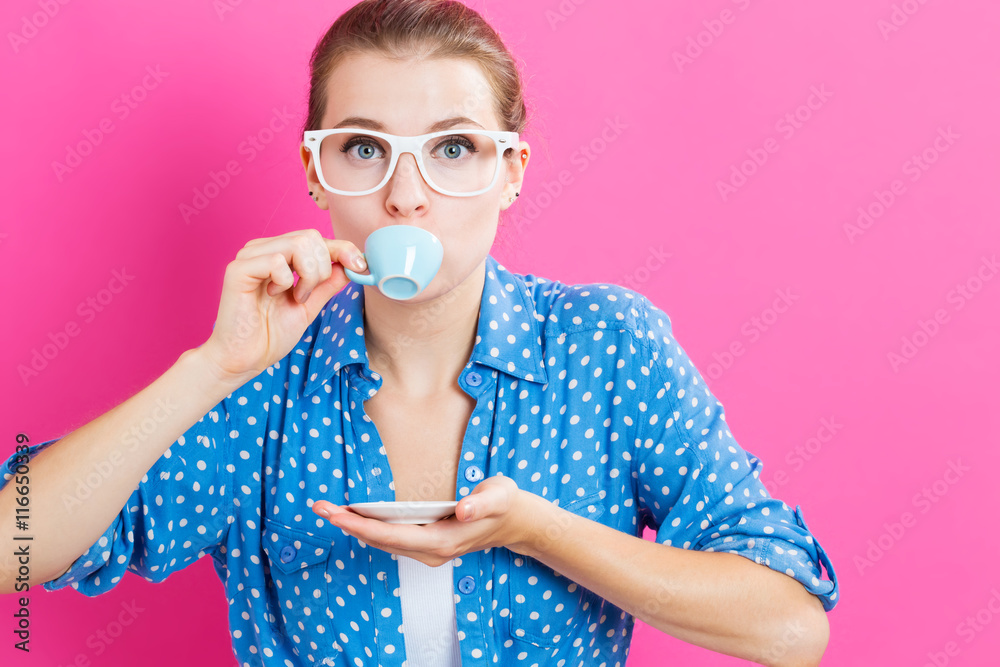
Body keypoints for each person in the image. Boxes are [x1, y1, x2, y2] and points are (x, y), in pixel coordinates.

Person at [0, 0, 839, 665]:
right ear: (315, 172)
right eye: (365, 148)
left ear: (511, 170)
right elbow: (14, 547)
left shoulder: (609, 349)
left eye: (454, 149)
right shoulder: (259, 383)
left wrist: (536, 528)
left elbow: (790, 629)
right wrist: (212, 367)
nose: (406, 196)